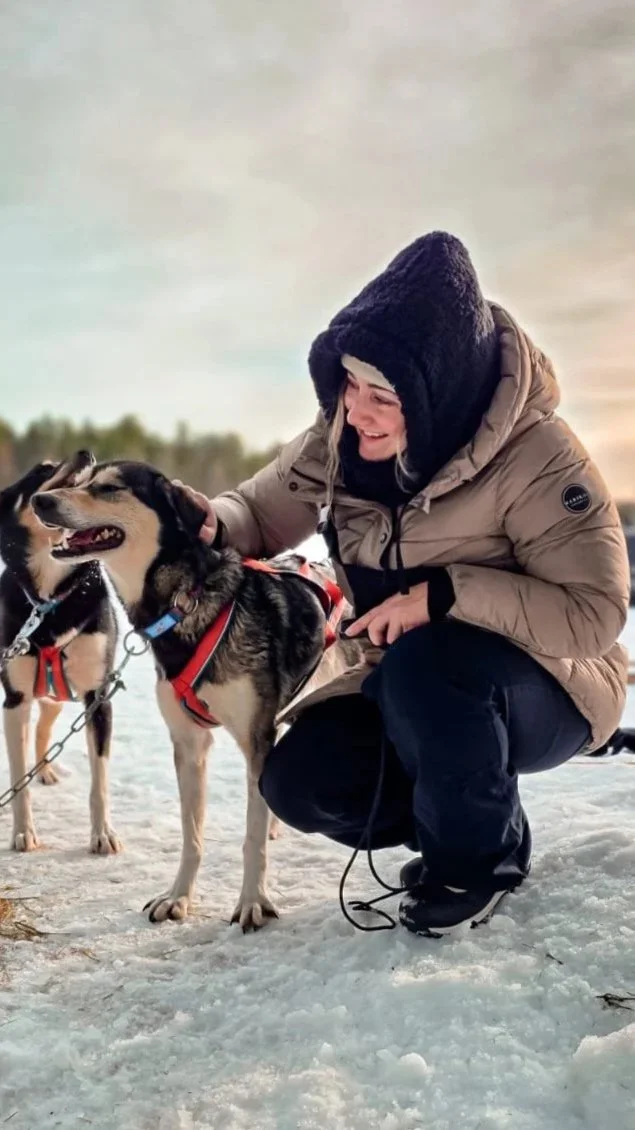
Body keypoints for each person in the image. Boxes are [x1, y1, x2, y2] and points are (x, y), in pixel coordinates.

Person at [180, 232, 630, 937]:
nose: (355, 411)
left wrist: (446, 595)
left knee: (430, 668)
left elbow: (593, 615)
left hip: (550, 684)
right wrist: (214, 519)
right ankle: (465, 819)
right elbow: (260, 511)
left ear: (438, 394)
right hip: (402, 682)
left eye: (381, 394)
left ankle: (474, 865)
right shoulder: (339, 433)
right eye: (347, 384)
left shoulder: (538, 456)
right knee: (299, 781)